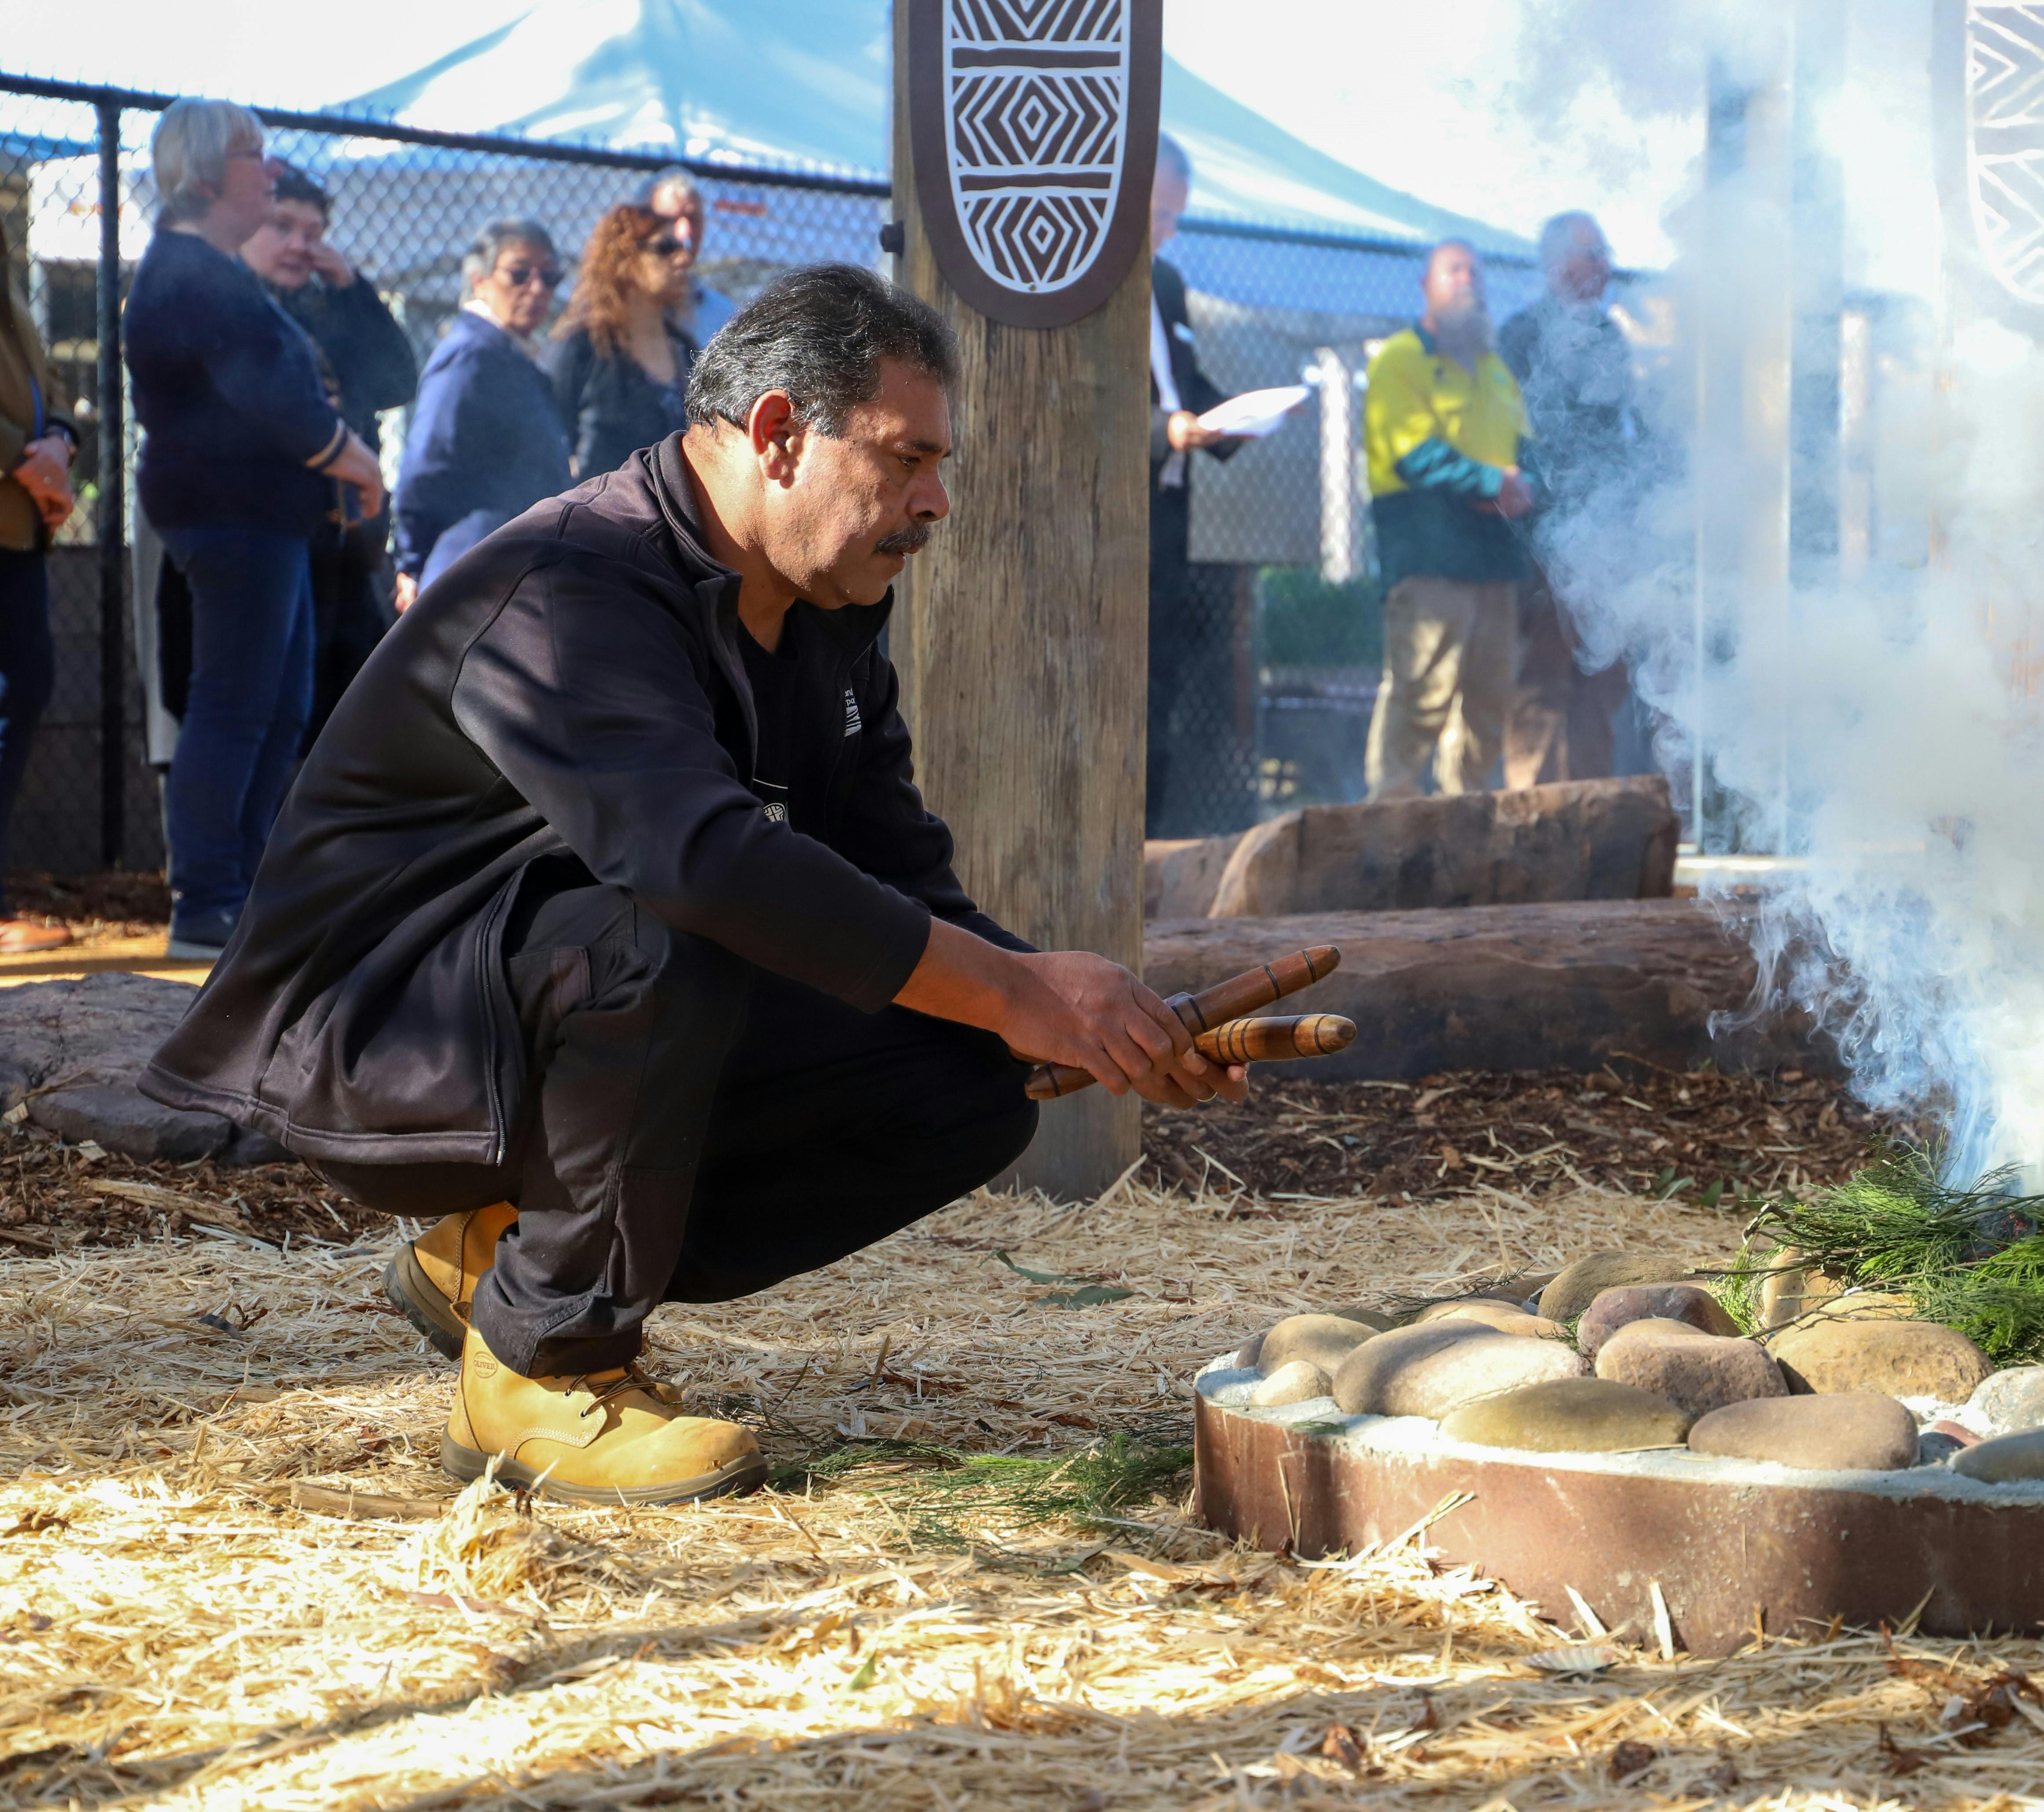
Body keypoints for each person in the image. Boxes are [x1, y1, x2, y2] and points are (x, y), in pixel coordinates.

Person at [140, 266, 1244, 1507]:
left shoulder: (824, 611)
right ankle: (543, 1362)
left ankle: (500, 1257)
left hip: (531, 1002)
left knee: (973, 1080)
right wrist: (1016, 990)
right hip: (376, 1036)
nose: (937, 500)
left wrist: (1071, 1015)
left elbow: (900, 879)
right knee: (672, 928)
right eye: (906, 458)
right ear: (778, 434)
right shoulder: (573, 579)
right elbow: (693, 858)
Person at [123, 99, 385, 960]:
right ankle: (205, 901)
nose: (269, 170)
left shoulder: (213, 268)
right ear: (205, 175)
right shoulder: (190, 271)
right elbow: (276, 400)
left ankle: (245, 890)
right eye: (252, 154)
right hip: (229, 517)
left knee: (279, 706)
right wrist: (360, 464)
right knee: (236, 705)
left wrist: (343, 465)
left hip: (266, 518)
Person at [239, 165, 418, 746]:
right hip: (267, 536)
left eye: (313, 234)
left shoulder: (325, 304)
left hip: (348, 540)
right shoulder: (234, 302)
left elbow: (398, 378)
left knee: (351, 707)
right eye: (283, 227)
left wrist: (350, 286)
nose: (300, 245)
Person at [1361, 239, 1535, 799]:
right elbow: (1412, 453)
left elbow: (1525, 450)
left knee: (1488, 702)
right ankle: (1390, 817)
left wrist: (1525, 483)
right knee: (1421, 692)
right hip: (1429, 554)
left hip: (1494, 561)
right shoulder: (1401, 359)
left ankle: (1469, 818)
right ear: (1425, 286)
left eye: (1475, 272)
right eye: (1454, 270)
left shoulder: (1495, 370)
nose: (1468, 281)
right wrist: (1490, 483)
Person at [1497, 211, 1633, 786]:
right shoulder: (1522, 334)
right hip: (1542, 541)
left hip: (1604, 539)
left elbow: (1617, 435)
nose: (1606, 267)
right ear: (1558, 265)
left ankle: (1595, 808)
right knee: (1542, 675)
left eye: (1606, 255)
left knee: (1601, 677)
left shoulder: (1609, 336)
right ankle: (1532, 808)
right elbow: (1513, 436)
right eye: (1594, 255)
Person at [1142, 134, 1246, 834]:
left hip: (1171, 512)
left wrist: (1237, 420)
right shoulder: (1086, 282)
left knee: (1162, 682)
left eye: (1175, 216)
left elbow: (1184, 383)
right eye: (1159, 215)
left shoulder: (1167, 283)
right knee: (1125, 684)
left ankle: (1150, 839)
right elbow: (1081, 399)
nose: (1168, 231)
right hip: (1114, 515)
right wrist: (1163, 430)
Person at [393, 220, 574, 597]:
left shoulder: (511, 355)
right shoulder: (471, 356)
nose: (537, 289)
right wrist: (411, 562)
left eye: (550, 277)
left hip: (513, 566)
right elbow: (426, 465)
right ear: (479, 281)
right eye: (519, 274)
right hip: (474, 570)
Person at [0, 220, 77, 955]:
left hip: (20, 527)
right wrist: (25, 460)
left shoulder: (15, 303)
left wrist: (58, 443)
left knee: (24, 688)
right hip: (16, 500)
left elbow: (52, 388)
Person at [550, 204, 699, 485]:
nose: (683, 259)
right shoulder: (584, 347)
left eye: (683, 247)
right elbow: (549, 440)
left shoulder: (686, 349)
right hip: (602, 506)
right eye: (666, 247)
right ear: (625, 257)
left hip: (671, 507)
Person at [641, 166, 738, 346]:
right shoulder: (618, 311)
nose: (685, 234)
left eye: (694, 220)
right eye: (671, 220)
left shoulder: (724, 316)